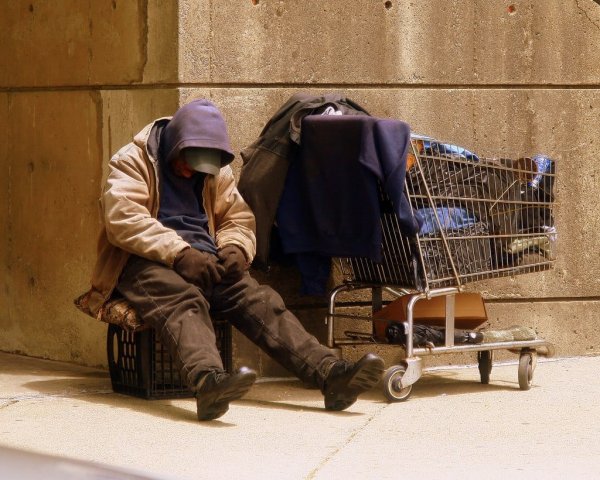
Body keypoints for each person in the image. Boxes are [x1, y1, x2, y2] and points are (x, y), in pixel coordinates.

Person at [79, 99, 385, 421]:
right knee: (184, 299)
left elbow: (237, 217)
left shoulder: (213, 168)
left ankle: (330, 374)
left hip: (203, 259)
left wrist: (236, 247)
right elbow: (123, 218)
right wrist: (180, 253)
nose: (190, 171)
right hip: (142, 261)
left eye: (198, 167)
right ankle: (208, 382)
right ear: (175, 143)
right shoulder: (132, 160)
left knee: (261, 300)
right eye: (186, 162)